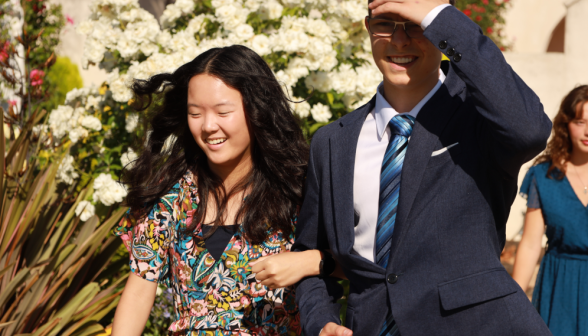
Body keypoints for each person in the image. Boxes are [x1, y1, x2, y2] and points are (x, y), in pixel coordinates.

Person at [292, 0, 554, 335]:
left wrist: (440, 19)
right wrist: (322, 321)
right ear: (368, 28)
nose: (400, 41)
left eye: (415, 24)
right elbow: (311, 251)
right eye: (386, 23)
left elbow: (530, 130)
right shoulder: (331, 142)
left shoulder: (479, 122)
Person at [110, 45, 330, 336]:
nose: (208, 126)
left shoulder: (298, 192)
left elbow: (363, 267)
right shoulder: (171, 198)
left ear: (257, 111)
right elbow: (138, 294)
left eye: (223, 111)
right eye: (195, 113)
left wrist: (309, 261)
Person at [512, 85, 588, 336]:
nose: (587, 131)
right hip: (559, 287)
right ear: (566, 124)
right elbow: (531, 243)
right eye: (580, 121)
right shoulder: (544, 176)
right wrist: (512, 305)